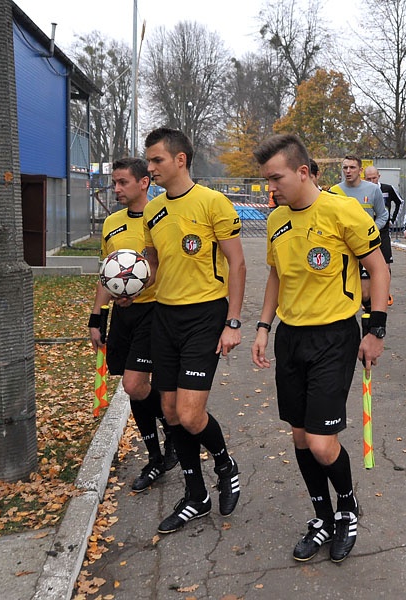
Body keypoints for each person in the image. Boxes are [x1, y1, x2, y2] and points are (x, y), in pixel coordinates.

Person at [251, 134, 389, 563]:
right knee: (299, 435)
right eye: (267, 180)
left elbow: (378, 269)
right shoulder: (276, 220)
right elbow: (276, 277)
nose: (271, 188)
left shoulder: (342, 211)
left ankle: (347, 509)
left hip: (334, 336)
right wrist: (262, 326)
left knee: (322, 443)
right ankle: (322, 517)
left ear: (304, 171)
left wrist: (375, 330)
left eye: (277, 178)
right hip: (291, 337)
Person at [142, 127, 246, 534]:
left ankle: (224, 462)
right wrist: (132, 286)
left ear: (180, 160)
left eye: (157, 161)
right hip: (164, 317)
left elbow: (237, 264)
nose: (150, 168)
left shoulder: (212, 203)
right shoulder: (152, 211)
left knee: (189, 413)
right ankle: (196, 496)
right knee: (170, 412)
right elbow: (153, 264)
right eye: (148, 161)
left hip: (205, 315)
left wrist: (233, 321)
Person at [88, 157, 177, 494]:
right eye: (114, 183)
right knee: (135, 390)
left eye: (123, 182)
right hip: (123, 315)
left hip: (154, 311)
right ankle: (157, 455)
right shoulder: (111, 222)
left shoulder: (161, 217)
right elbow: (106, 273)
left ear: (144, 183)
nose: (116, 189)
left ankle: (172, 426)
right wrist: (97, 317)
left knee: (133, 385)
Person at [330, 156, 391, 307]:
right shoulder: (334, 191)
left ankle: (371, 323)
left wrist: (372, 230)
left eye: (352, 167)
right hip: (343, 247)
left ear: (360, 170)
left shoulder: (372, 190)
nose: (348, 171)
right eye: (345, 168)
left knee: (365, 294)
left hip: (365, 246)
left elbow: (383, 214)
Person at [364, 165, 403, 232]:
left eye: (374, 178)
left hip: (384, 228)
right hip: (366, 228)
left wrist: (393, 220)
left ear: (379, 176)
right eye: (368, 179)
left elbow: (400, 202)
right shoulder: (361, 190)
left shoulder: (388, 189)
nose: (371, 181)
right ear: (364, 178)